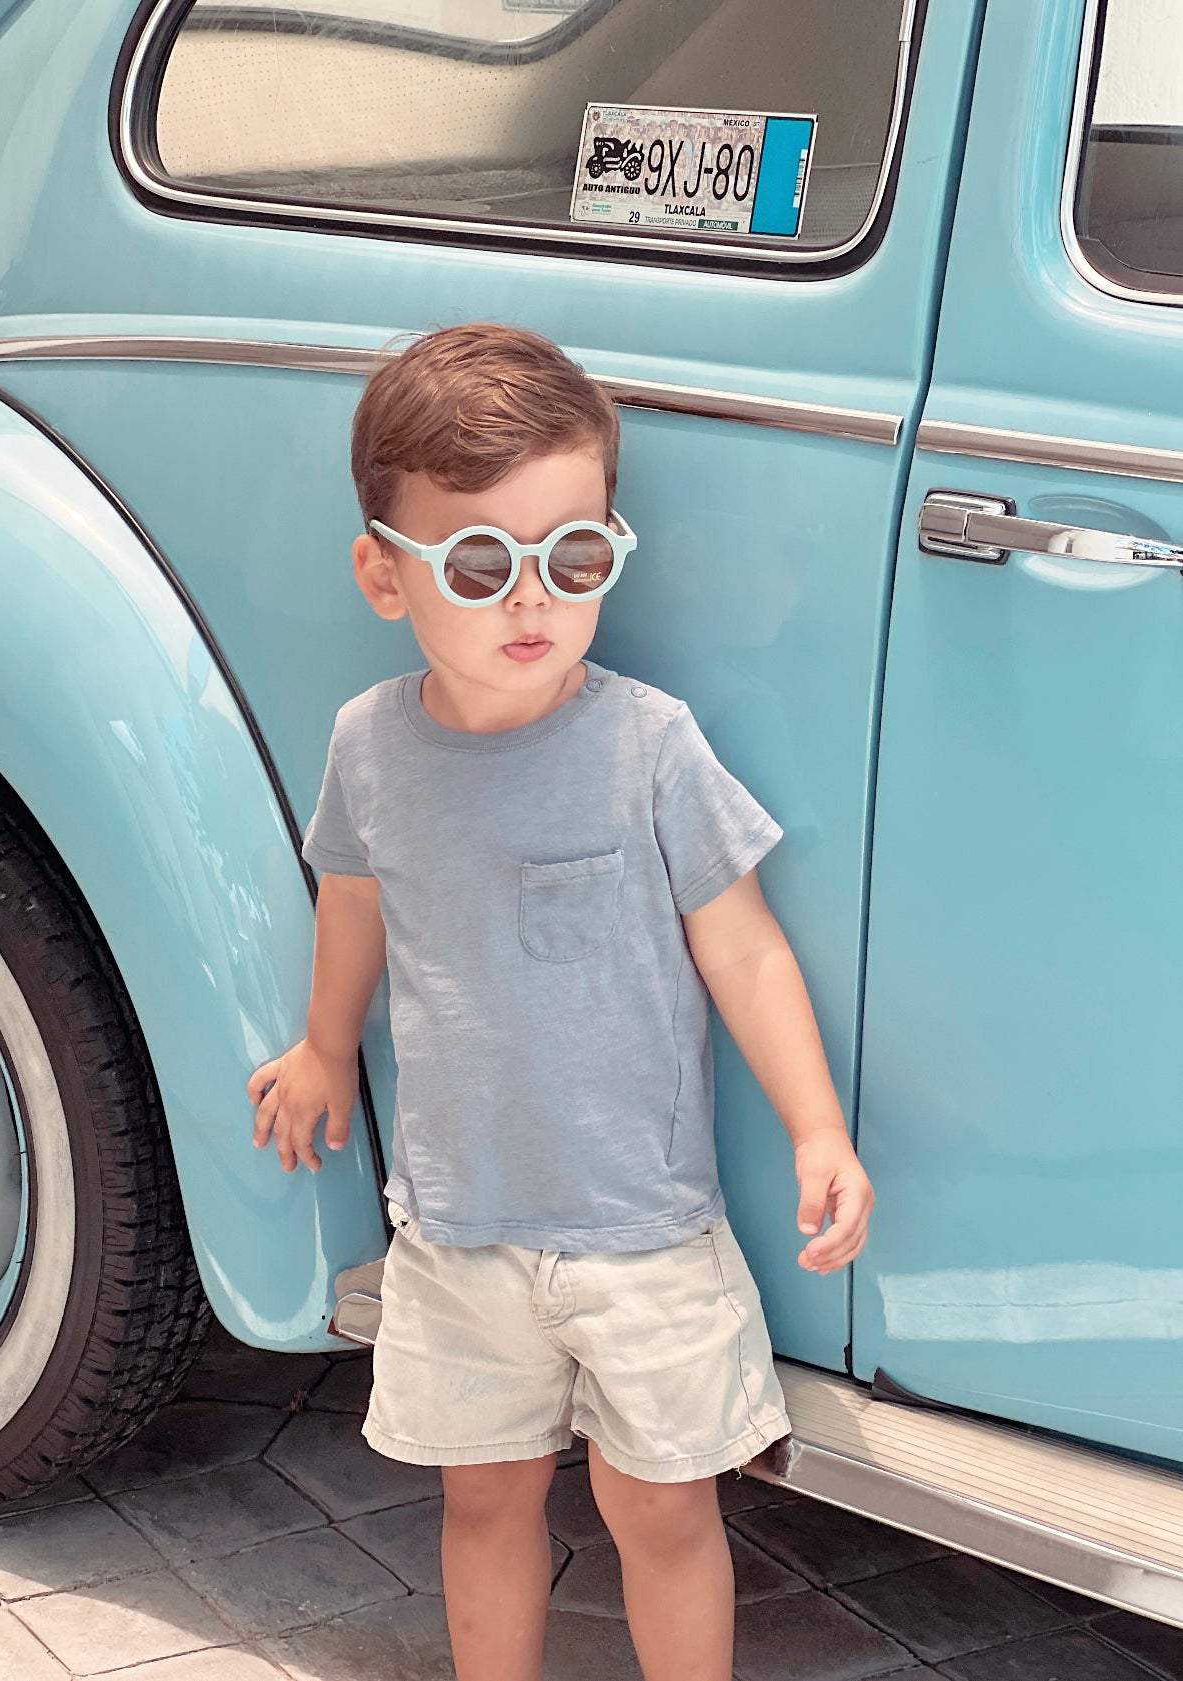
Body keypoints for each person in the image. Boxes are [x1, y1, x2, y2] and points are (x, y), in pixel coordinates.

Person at [247, 322, 874, 1681]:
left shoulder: (647, 744)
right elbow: (353, 901)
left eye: (574, 557)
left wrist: (816, 1126)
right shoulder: (369, 744)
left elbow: (745, 953)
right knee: (482, 1502)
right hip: (458, 1230)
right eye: (480, 564)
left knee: (663, 1510)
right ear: (383, 573)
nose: (531, 599)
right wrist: (323, 1045)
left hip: (642, 1234)